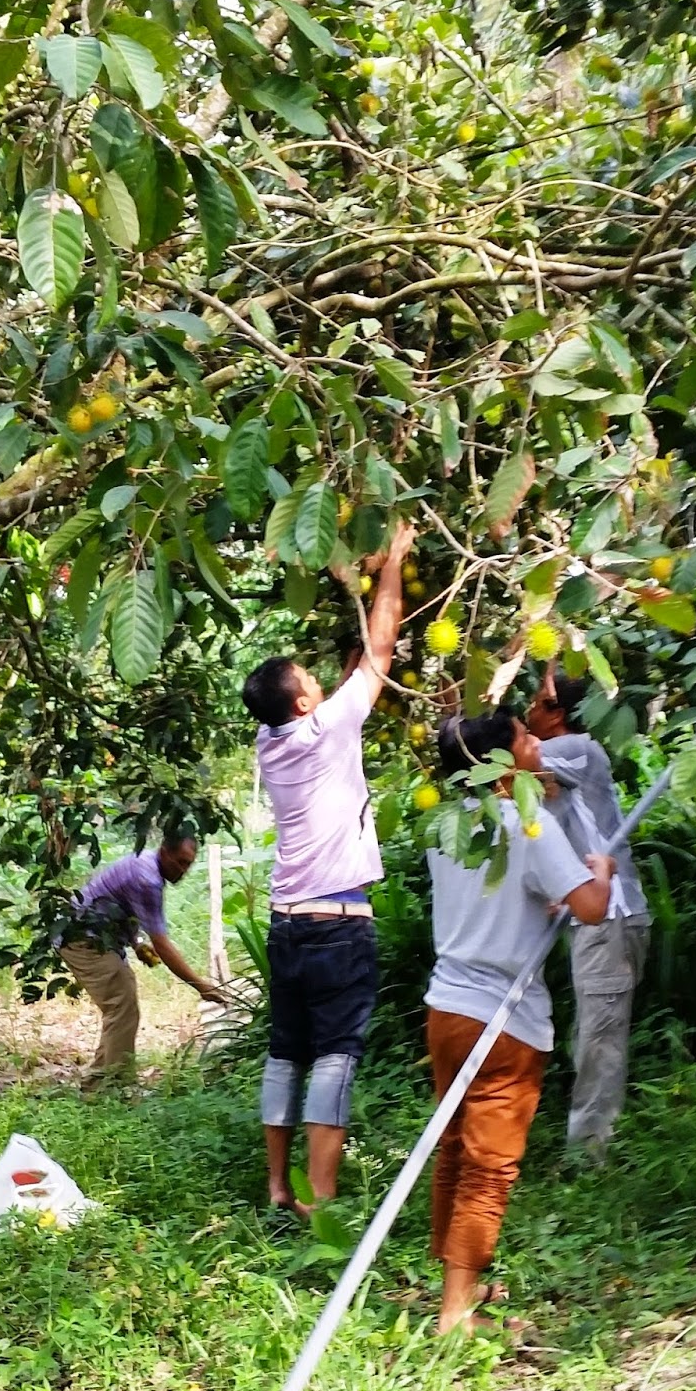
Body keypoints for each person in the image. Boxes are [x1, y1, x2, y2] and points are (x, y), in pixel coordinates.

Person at [240, 520, 416, 1215]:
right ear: (305, 704)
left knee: (286, 1052)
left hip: (287, 924)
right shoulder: (325, 727)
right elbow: (382, 647)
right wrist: (393, 563)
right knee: (335, 1055)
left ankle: (277, 1187)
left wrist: (344, 669)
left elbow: (340, 697)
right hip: (337, 925)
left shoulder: (272, 740)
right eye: (311, 681)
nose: (319, 682)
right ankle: (321, 1201)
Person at [426, 708, 614, 1334]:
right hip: (502, 1023)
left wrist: (549, 897)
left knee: (456, 1147)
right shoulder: (527, 822)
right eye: (526, 738)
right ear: (502, 764)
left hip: (448, 1009)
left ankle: (455, 1281)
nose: (537, 743)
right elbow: (592, 907)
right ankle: (456, 1311)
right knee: (490, 1166)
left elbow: (497, 898)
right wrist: (599, 873)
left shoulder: (448, 825)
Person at [527, 668, 651, 1157]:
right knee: (593, 1034)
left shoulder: (577, 749)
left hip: (610, 918)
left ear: (557, 713)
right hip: (595, 920)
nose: (527, 714)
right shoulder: (552, 769)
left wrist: (468, 732)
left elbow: (511, 762)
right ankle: (591, 1146)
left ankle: (589, 1159)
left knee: (599, 1041)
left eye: (535, 703)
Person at [59, 835, 227, 1074]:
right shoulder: (148, 880)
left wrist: (136, 942)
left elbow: (123, 905)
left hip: (94, 937)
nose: (183, 870)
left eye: (188, 864)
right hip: (82, 938)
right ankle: (112, 1083)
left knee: (122, 1006)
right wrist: (201, 986)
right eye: (180, 862)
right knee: (121, 1007)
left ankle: (103, 1080)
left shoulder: (146, 862)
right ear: (164, 852)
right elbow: (162, 945)